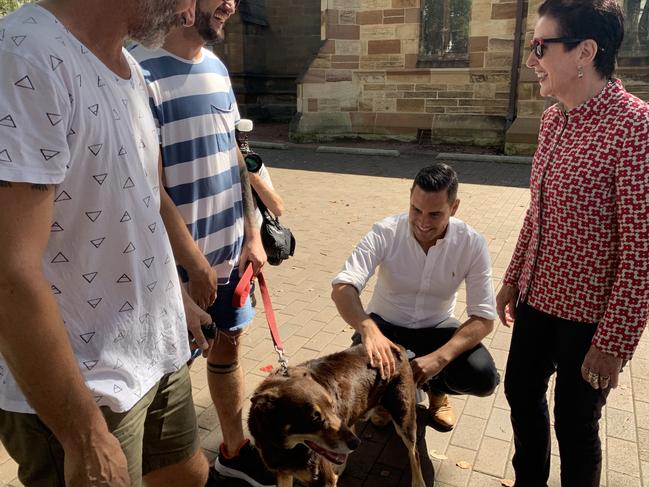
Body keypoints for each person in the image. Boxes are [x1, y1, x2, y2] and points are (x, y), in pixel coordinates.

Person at [0, 1, 218, 486]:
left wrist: (174, 298)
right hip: (82, 387)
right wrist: (83, 436)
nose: (190, 13)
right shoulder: (23, 56)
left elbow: (140, 197)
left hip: (156, 353)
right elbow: (8, 272)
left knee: (190, 476)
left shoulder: (132, 70)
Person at [496, 0, 649, 485]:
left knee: (576, 425)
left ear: (585, 52)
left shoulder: (635, 128)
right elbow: (538, 212)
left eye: (541, 46)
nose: (531, 59)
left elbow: (641, 254)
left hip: (591, 319)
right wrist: (513, 277)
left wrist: (614, 343)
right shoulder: (553, 120)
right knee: (520, 391)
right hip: (538, 299)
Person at [130, 2, 274, 486]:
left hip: (230, 261)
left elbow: (239, 156)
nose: (232, 4)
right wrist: (188, 272)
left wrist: (252, 234)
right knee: (163, 386)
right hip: (175, 276)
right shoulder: (136, 72)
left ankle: (233, 449)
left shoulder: (216, 69)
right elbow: (145, 189)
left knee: (227, 349)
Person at [331, 163, 499, 432]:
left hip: (437, 328)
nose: (422, 222)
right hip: (384, 327)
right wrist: (368, 329)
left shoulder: (471, 243)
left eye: (435, 214)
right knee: (361, 370)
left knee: (482, 376)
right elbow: (343, 287)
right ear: (410, 198)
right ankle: (385, 400)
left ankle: (437, 390)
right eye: (416, 209)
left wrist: (439, 359)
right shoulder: (385, 231)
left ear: (454, 208)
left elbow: (484, 318)